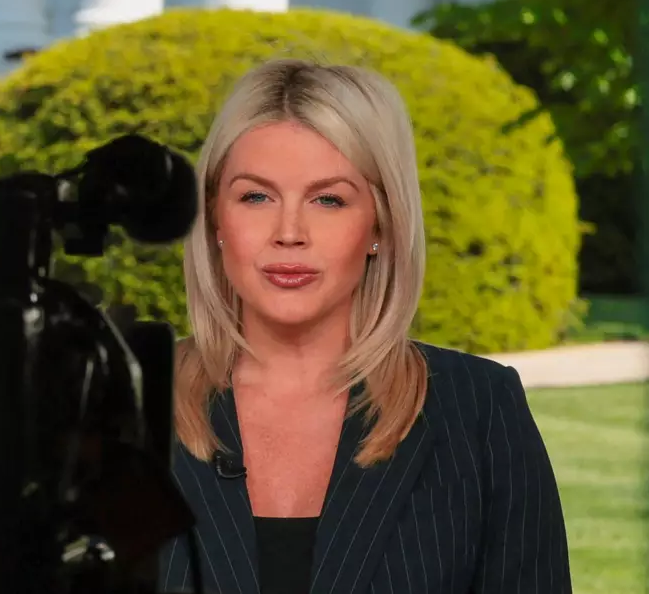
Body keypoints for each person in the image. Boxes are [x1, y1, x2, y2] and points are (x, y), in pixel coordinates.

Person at [159, 59, 571, 594]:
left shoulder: (479, 410)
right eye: (255, 196)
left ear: (380, 223)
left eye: (328, 199)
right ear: (216, 219)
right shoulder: (126, 401)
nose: (289, 232)